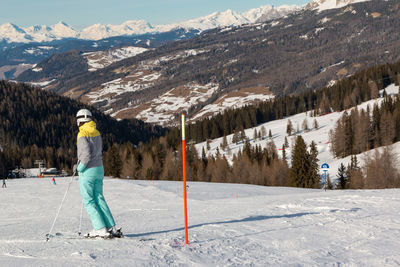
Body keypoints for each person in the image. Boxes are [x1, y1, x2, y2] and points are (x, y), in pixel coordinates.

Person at [74, 109, 122, 238]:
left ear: (80, 120)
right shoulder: (96, 132)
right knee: (99, 198)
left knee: (89, 200)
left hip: (88, 171)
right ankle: (110, 226)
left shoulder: (82, 134)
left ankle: (100, 228)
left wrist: (79, 168)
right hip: (99, 169)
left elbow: (86, 154)